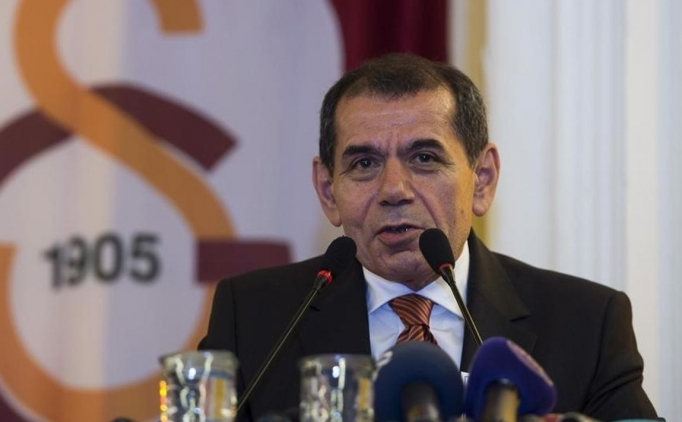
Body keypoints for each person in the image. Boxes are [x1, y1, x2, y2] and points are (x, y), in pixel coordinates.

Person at [199, 54, 658, 421]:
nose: (394, 190)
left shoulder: (586, 323)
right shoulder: (256, 319)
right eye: (364, 164)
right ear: (327, 190)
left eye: (424, 158)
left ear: (482, 179)